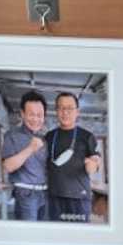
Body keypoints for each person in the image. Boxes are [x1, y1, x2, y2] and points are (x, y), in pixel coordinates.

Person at [45, 93, 100, 222]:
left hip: (79, 198)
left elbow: (95, 161)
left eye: (69, 108)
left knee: (79, 232)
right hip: (54, 197)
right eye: (61, 108)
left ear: (77, 112)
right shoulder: (49, 136)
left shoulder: (87, 136)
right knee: (56, 232)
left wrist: (92, 164)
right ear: (56, 111)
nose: (65, 112)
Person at [1, 90, 49, 221]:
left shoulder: (45, 138)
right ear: (22, 114)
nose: (36, 119)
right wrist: (30, 148)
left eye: (39, 115)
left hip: (45, 194)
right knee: (30, 232)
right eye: (31, 114)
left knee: (45, 231)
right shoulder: (12, 135)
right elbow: (8, 166)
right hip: (26, 195)